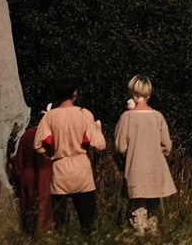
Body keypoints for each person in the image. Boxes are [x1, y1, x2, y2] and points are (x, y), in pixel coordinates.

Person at [34, 81, 105, 235]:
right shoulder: (84, 114)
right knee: (87, 222)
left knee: (60, 224)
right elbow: (99, 145)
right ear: (75, 93)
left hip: (60, 168)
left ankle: (64, 244)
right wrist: (98, 130)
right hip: (81, 170)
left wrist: (50, 154)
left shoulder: (50, 116)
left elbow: (38, 145)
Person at [114, 75, 176, 236]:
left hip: (135, 168)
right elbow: (167, 146)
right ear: (149, 93)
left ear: (132, 92)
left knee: (137, 210)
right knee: (153, 209)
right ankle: (153, 240)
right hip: (156, 168)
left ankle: (139, 241)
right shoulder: (158, 116)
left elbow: (120, 147)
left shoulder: (126, 117)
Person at [12, 109, 53, 236]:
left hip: (28, 174)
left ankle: (29, 234)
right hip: (46, 174)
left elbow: (18, 161)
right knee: (45, 207)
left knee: (29, 206)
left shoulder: (26, 135)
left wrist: (18, 177)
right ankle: (45, 233)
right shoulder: (50, 135)